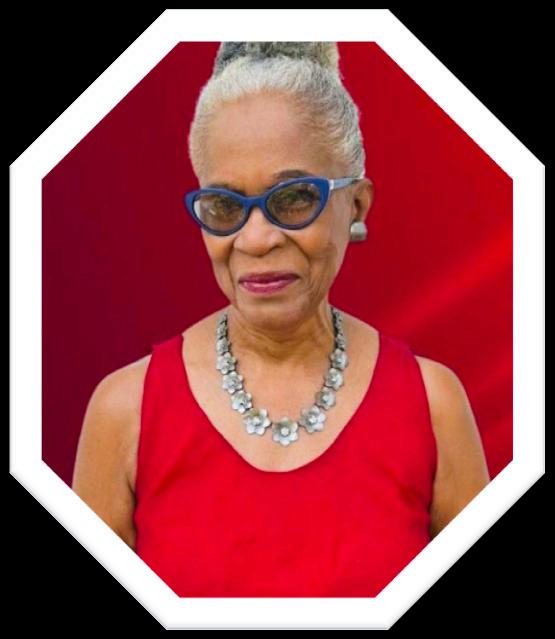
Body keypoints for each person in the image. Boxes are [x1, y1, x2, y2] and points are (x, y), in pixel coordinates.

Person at [72, 42, 490, 597]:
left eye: (293, 198)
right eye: (225, 207)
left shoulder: (432, 405)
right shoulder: (125, 412)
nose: (256, 239)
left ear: (357, 205)